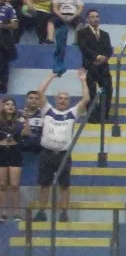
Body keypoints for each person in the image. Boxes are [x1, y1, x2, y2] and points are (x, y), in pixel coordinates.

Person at [32, 72, 88, 222]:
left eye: (65, 99)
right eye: (60, 98)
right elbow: (40, 92)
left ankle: (64, 213)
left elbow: (86, 99)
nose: (63, 101)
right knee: (44, 185)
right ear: (56, 100)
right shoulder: (48, 110)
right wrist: (52, 76)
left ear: (69, 101)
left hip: (64, 154)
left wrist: (83, 80)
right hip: (47, 153)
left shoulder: (72, 113)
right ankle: (42, 212)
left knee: (65, 185)